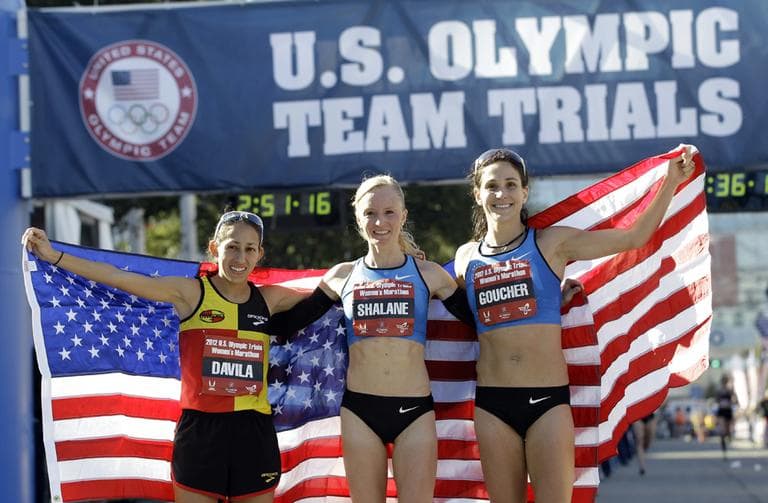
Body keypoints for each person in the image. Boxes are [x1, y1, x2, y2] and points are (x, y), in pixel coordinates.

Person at [453, 146, 695, 502]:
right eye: (491, 186)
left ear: (524, 192)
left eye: (510, 185)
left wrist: (671, 182)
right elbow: (450, 310)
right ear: (477, 194)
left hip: (546, 401)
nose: (501, 194)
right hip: (491, 404)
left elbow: (632, 238)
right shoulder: (464, 258)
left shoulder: (552, 243)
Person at [22, 211, 309, 503]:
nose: (240, 258)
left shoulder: (271, 299)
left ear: (259, 254)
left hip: (253, 434)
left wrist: (353, 270)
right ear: (214, 248)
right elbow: (119, 278)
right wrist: (54, 256)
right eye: (232, 246)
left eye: (249, 249)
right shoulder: (190, 292)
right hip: (201, 434)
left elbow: (329, 290)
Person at [267, 174, 472, 502]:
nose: (380, 221)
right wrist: (236, 302)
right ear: (358, 218)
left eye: (389, 212)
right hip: (360, 411)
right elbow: (288, 325)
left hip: (414, 411)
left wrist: (553, 296)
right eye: (370, 213)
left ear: (403, 216)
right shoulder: (342, 276)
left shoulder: (428, 273)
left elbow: (480, 319)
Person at [715, 375, 736, 459]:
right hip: (723, 410)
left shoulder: (730, 390)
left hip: (727, 410)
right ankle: (724, 447)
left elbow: (734, 400)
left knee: (727, 430)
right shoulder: (720, 391)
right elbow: (717, 400)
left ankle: (727, 436)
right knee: (723, 431)